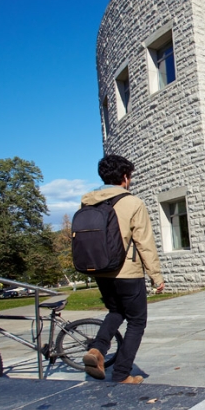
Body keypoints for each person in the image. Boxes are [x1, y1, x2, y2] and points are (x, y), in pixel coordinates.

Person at [81, 155, 165, 384]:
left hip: (100, 271)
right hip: (127, 272)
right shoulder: (133, 203)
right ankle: (121, 374)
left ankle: (97, 350)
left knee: (116, 312)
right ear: (125, 177)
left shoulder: (88, 201)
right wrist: (156, 276)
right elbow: (144, 243)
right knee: (137, 321)